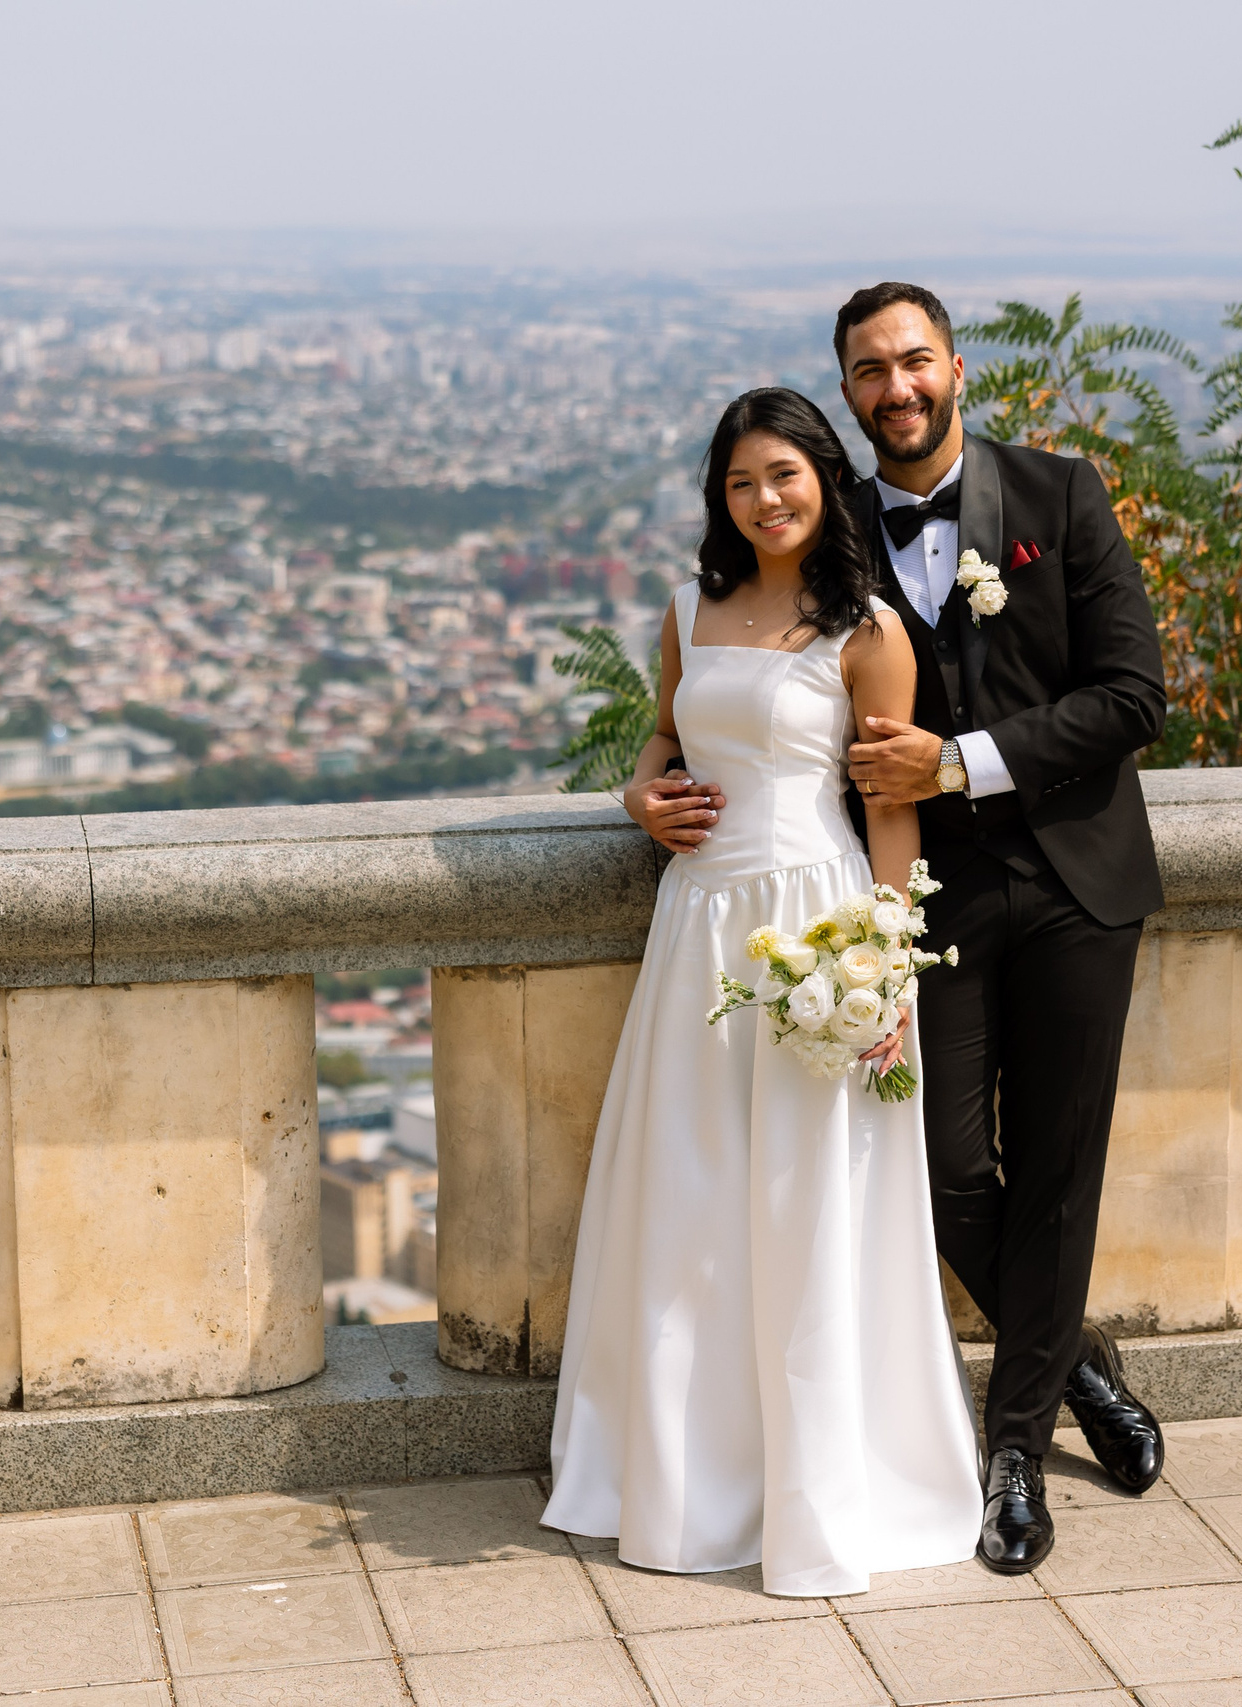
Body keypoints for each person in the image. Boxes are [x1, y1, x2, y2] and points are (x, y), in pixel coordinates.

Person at [541, 386, 983, 1597]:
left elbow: (891, 808)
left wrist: (885, 961)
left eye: (781, 475)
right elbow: (661, 742)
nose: (762, 500)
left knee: (805, 1201)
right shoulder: (690, 608)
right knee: (688, 1196)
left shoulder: (869, 629)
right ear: (718, 501)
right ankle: (691, 1477)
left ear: (821, 480)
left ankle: (817, 1483)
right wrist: (640, 799)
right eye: (738, 484)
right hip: (697, 928)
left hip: (815, 919)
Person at [838, 281, 1170, 1573]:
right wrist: (656, 782)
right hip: (940, 899)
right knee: (943, 1168)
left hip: (1082, 880)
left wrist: (961, 759)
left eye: (914, 359)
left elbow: (1135, 694)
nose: (897, 387)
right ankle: (1079, 1366)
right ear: (851, 393)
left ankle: (1013, 1451)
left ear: (957, 366)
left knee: (1060, 1162)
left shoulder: (1061, 493)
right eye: (870, 370)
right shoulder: (838, 535)